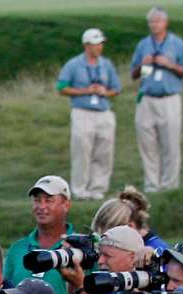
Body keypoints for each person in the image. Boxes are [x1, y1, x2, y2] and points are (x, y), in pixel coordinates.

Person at [131, 6, 183, 193]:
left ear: (165, 22)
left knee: (170, 143)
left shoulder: (177, 44)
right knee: (147, 142)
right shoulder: (143, 45)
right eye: (151, 21)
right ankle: (151, 184)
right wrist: (144, 63)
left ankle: (169, 185)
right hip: (147, 98)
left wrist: (169, 64)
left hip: (169, 99)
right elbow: (133, 73)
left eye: (157, 21)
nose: (154, 25)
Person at [60, 28, 122, 199]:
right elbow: (62, 87)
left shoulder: (106, 64)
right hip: (82, 111)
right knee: (82, 150)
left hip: (103, 111)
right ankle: (80, 189)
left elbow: (116, 89)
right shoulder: (74, 64)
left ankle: (98, 188)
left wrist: (105, 92)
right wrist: (85, 91)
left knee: (104, 152)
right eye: (96, 44)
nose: (99, 47)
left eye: (101, 44)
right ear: (87, 45)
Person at [3, 176, 77, 294]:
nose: (41, 206)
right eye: (37, 200)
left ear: (66, 205)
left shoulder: (79, 249)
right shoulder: (18, 249)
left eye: (49, 200)